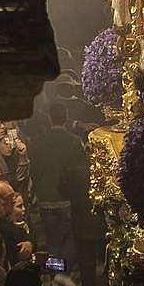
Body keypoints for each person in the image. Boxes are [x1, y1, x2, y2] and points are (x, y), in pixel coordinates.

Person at [27, 102, 88, 265]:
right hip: (67, 198)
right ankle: (65, 274)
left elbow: (33, 170)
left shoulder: (38, 142)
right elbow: (81, 171)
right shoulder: (74, 141)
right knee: (68, 236)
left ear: (49, 117)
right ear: (66, 117)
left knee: (51, 237)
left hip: (45, 198)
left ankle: (56, 274)